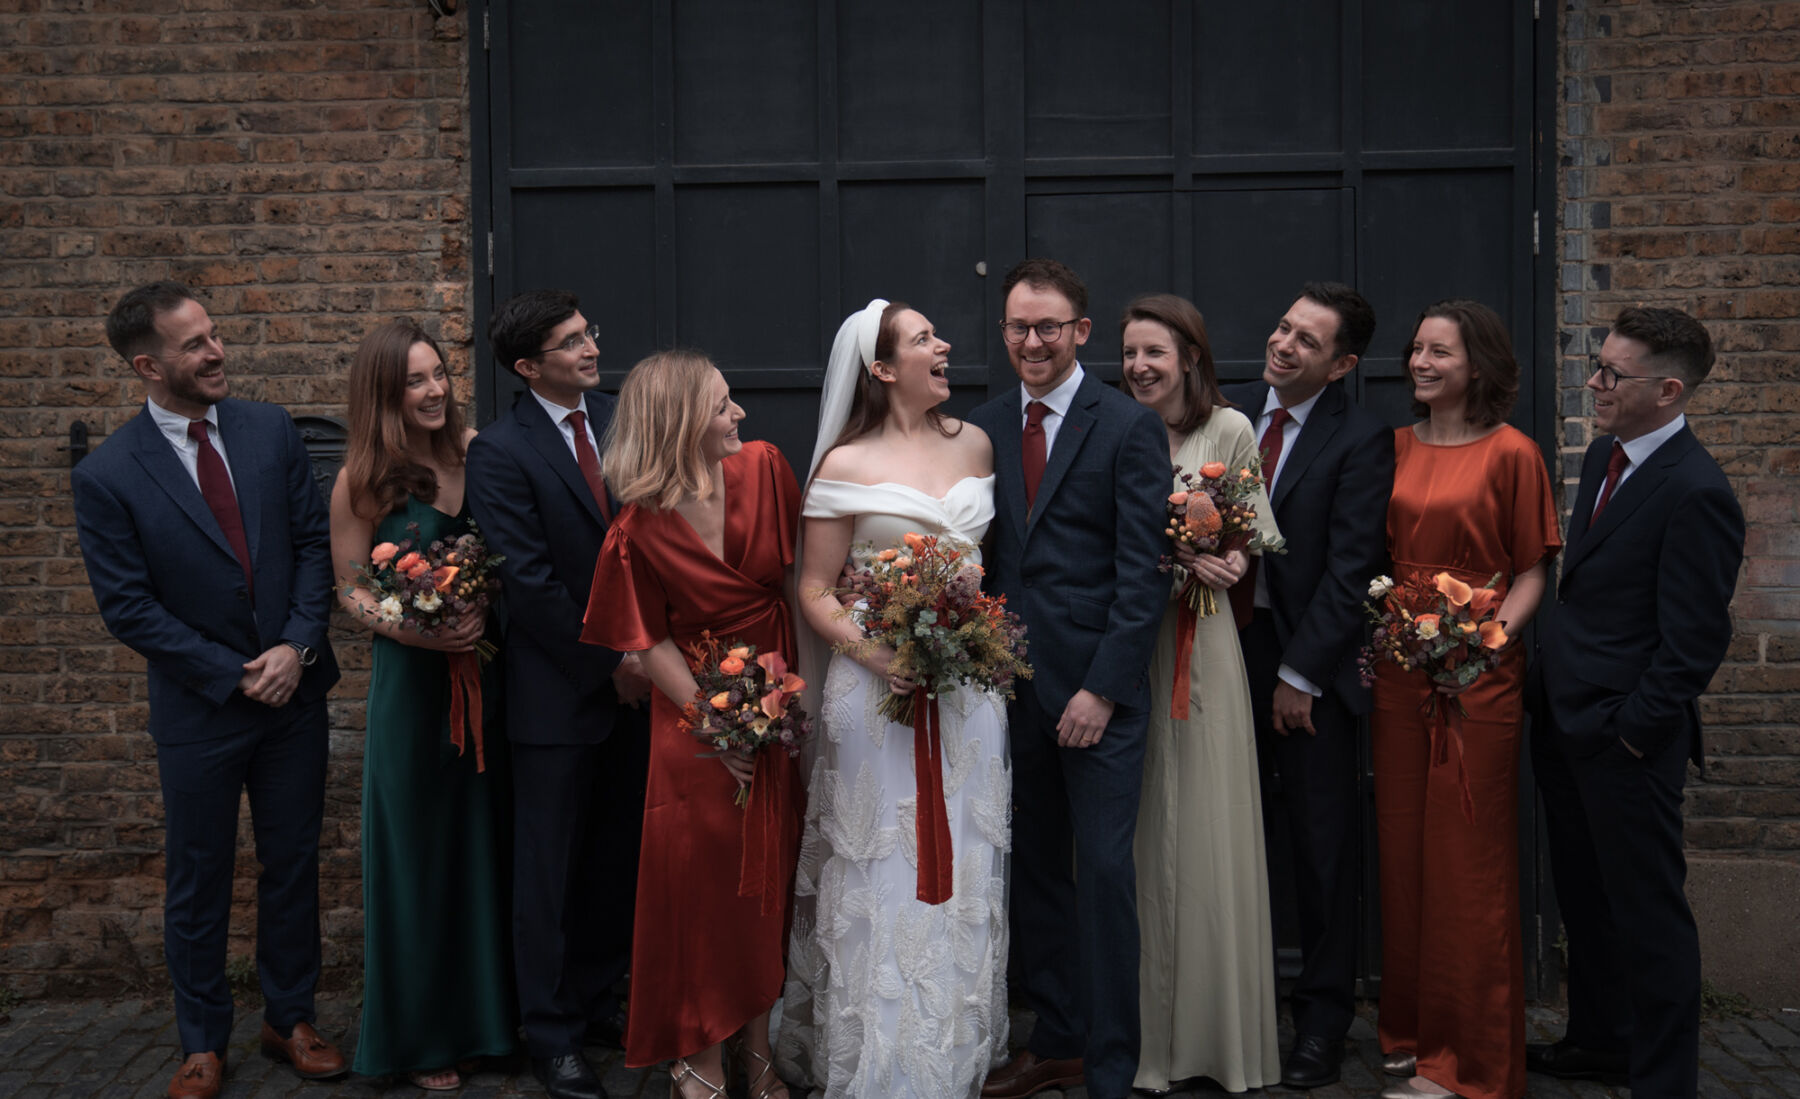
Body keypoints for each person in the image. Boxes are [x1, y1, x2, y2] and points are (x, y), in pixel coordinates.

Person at [71, 281, 345, 1099]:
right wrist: (234, 672)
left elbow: (309, 544)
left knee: (293, 861)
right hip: (200, 709)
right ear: (149, 365)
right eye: (195, 344)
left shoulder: (268, 428)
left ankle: (288, 1015)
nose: (217, 350)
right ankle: (201, 1040)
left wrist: (296, 645)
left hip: (293, 693)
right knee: (200, 872)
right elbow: (129, 608)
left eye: (214, 334)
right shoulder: (108, 473)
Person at [775, 300, 1009, 1098]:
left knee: (965, 862)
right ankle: (878, 1064)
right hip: (875, 691)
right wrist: (881, 656)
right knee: (880, 865)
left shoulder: (976, 442)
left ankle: (947, 1054)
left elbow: (983, 570)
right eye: (922, 340)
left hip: (967, 693)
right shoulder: (844, 464)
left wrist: (971, 639)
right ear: (881, 369)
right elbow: (813, 588)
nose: (943, 345)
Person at [1526, 307, 1744, 1098]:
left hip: (1625, 744)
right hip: (1566, 724)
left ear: (1670, 388)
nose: (1594, 381)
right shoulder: (1607, 453)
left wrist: (1631, 734)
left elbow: (1692, 643)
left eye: (1613, 373)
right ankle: (1600, 1041)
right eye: (1598, 362)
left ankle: (1661, 1079)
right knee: (1587, 903)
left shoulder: (1697, 491)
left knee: (1650, 919)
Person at [967, 259, 1168, 1099]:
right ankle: (1056, 1038)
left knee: (1108, 878)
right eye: (1019, 326)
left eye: (1049, 326)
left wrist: (1103, 688)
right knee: (1037, 872)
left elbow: (1143, 571)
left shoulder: (1124, 425)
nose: (1033, 341)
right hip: (1009, 693)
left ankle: (1114, 1067)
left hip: (1099, 698)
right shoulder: (981, 426)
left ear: (1081, 331)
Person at [580, 350, 804, 1099]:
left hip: (774, 705)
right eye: (720, 405)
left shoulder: (767, 468)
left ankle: (760, 1051)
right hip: (694, 720)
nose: (738, 413)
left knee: (766, 884)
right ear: (679, 424)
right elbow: (646, 639)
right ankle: (699, 1053)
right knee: (699, 895)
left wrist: (763, 720)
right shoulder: (636, 527)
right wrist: (717, 727)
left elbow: (810, 574)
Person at [465, 290, 652, 1099]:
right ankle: (549, 1032)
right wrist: (608, 660)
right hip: (558, 694)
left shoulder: (623, 416)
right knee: (547, 871)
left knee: (618, 857)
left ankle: (597, 997)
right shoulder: (501, 452)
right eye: (569, 342)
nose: (588, 348)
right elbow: (528, 581)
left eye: (589, 332)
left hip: (644, 683)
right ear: (526, 365)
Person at [1371, 300, 1560, 1099]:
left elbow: (1530, 570)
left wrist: (1484, 646)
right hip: (1401, 669)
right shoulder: (1397, 447)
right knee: (1406, 856)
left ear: (1475, 365)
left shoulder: (1514, 454)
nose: (1419, 361)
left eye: (1438, 352)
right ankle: (1412, 1033)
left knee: (1468, 862)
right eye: (1415, 349)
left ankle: (1468, 1061)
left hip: (1478, 675)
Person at [328, 320, 515, 1090]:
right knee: (418, 860)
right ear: (384, 391)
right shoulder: (361, 480)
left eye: (438, 373)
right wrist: (415, 629)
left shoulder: (481, 455)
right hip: (413, 693)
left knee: (482, 851)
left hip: (490, 681)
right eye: (414, 379)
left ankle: (484, 1023)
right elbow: (350, 588)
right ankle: (422, 1037)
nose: (434, 389)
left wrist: (482, 604)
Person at [1221, 282, 1393, 1089]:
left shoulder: (1361, 439)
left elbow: (1352, 567)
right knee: (1221, 836)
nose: (1284, 345)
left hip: (1302, 670)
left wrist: (1300, 676)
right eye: (1284, 327)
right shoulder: (1226, 423)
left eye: (1308, 341)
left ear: (1342, 364)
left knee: (1322, 850)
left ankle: (1322, 1021)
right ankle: (1228, 1010)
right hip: (1218, 655)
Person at [1120, 294, 1281, 1093]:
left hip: (1202, 641)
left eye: (1155, 352)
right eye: (1129, 353)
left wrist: (1226, 561)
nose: (1140, 366)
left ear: (1189, 355)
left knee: (1207, 827)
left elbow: (1250, 531)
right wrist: (1172, 559)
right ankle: (1144, 1035)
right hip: (1132, 641)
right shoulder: (1114, 428)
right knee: (1142, 823)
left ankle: (1216, 1038)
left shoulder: (1231, 431)